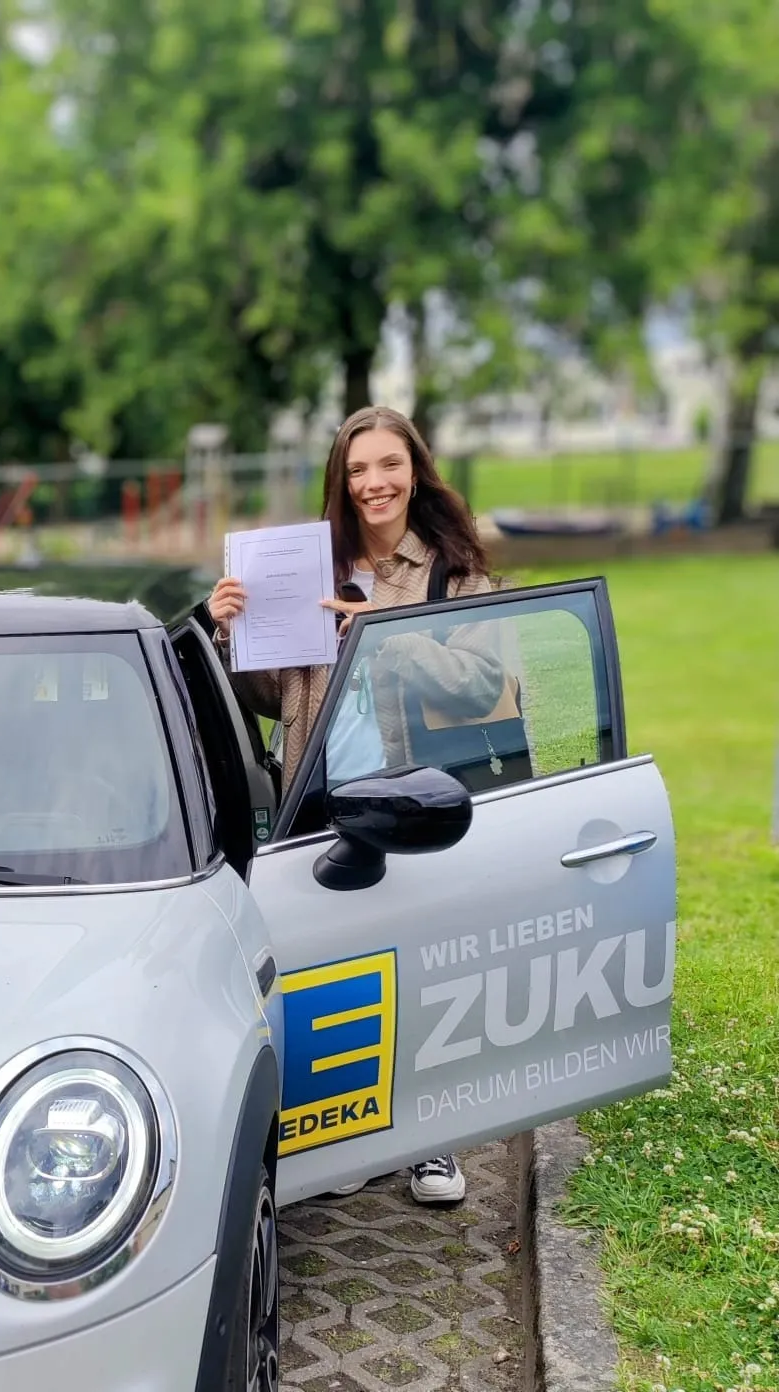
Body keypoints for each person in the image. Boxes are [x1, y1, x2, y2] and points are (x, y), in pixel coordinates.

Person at [206, 404, 505, 1206]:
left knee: (425, 964)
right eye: (358, 469)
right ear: (341, 481)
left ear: (415, 470)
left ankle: (431, 1142)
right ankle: (344, 1141)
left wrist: (386, 630)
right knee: (338, 966)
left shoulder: (452, 568)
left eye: (388, 465)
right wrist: (230, 632)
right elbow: (274, 694)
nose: (374, 483)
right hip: (319, 791)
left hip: (413, 794)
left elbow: (482, 682)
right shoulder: (306, 565)